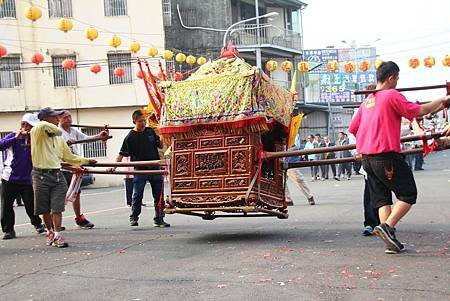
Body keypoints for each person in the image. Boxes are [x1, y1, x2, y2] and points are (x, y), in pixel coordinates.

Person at [349, 61, 450, 254]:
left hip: (367, 159)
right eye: (397, 78)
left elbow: (353, 128)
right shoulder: (391, 95)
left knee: (382, 200)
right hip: (385, 156)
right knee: (408, 194)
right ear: (391, 78)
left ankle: (389, 240)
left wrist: (369, 137)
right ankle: (387, 227)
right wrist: (444, 100)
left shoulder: (367, 101)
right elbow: (420, 111)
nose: (397, 82)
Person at [31, 107, 96, 248]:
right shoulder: (37, 130)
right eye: (55, 117)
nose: (56, 119)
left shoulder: (59, 138)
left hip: (56, 173)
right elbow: (51, 127)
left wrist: (86, 161)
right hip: (40, 174)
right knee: (44, 208)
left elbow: (69, 157)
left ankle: (58, 235)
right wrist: (58, 126)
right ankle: (50, 232)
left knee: (57, 207)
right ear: (46, 118)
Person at [111, 110, 169, 228]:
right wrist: (113, 167)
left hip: (155, 168)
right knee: (137, 195)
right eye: (140, 121)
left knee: (159, 195)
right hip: (140, 170)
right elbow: (121, 154)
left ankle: (159, 218)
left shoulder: (150, 131)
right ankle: (134, 217)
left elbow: (161, 145)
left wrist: (163, 132)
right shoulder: (130, 137)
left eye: (144, 121)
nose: (143, 123)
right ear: (134, 122)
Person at [58, 110, 108, 229]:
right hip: (63, 167)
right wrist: (65, 143)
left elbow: (86, 138)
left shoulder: (73, 131)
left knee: (76, 193)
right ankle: (54, 221)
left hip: (75, 165)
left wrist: (100, 136)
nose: (69, 119)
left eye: (70, 117)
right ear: (59, 120)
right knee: (59, 194)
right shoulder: (57, 132)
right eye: (65, 117)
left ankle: (79, 218)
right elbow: (56, 148)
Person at [0, 113, 46, 240]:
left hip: (28, 179)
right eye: (31, 126)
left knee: (31, 204)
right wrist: (16, 137)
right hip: (9, 178)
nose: (32, 129)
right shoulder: (13, 136)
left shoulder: (35, 138)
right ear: (24, 125)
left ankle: (37, 224)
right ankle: (8, 230)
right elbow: (1, 145)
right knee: (6, 205)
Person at [286, 134, 315, 205]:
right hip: (279, 160)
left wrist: (286, 150)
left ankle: (309, 196)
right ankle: (287, 199)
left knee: (298, 179)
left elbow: (296, 146)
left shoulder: (293, 132)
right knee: (281, 182)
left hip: (291, 161)